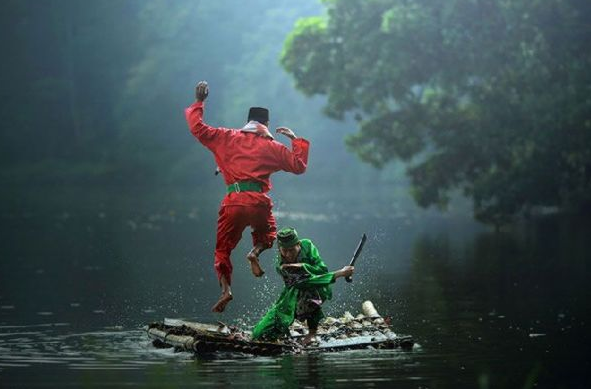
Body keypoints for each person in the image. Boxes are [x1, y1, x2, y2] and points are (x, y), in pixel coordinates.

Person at [185, 81, 310, 313]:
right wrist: (294, 140)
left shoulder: (226, 137)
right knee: (268, 234)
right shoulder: (272, 147)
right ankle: (255, 252)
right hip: (259, 201)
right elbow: (299, 166)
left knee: (222, 249)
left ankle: (226, 290)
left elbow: (197, 128)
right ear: (267, 124)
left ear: (248, 122)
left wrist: (199, 102)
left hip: (233, 201)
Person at [251, 227, 354, 345]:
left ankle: (312, 333)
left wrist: (303, 266)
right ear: (279, 249)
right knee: (259, 333)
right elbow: (303, 282)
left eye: (291, 250)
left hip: (318, 287)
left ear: (298, 244)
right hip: (292, 293)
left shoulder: (307, 245)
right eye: (284, 250)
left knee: (311, 297)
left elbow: (322, 270)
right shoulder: (281, 265)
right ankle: (282, 333)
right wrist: (340, 273)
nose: (288, 254)